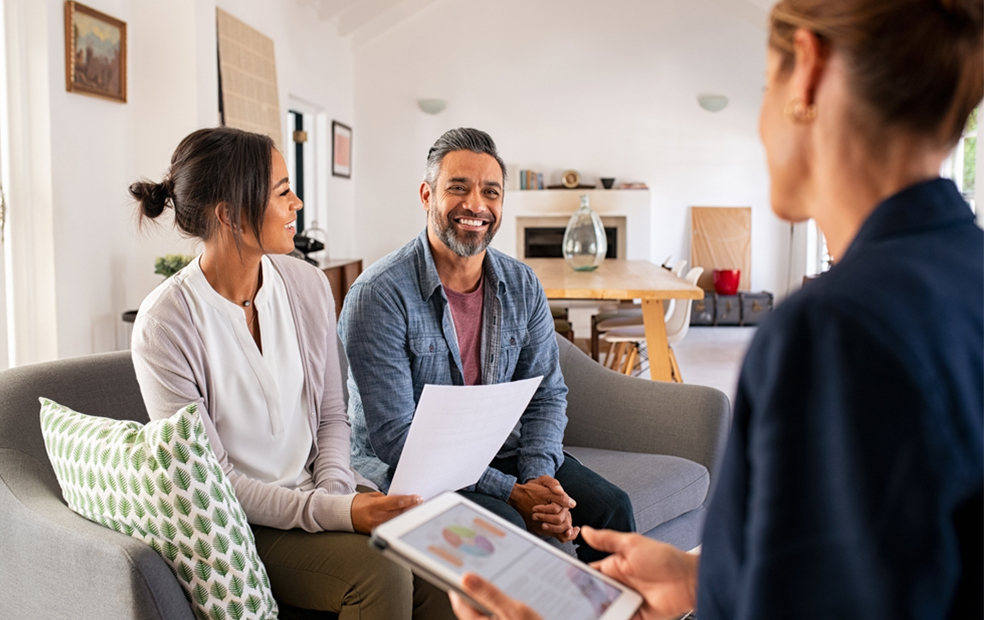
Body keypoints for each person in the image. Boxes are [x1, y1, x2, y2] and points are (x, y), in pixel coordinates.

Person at [449, 0, 984, 618]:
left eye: (765, 86)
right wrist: (704, 577)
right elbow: (892, 562)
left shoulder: (833, 331)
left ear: (806, 71)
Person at [129, 126, 454, 620]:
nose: (297, 203)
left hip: (321, 491)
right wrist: (334, 515)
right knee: (382, 572)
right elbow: (214, 481)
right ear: (230, 214)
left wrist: (334, 498)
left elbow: (330, 415)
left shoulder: (306, 284)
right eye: (283, 192)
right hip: (244, 521)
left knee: (444, 564)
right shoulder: (165, 325)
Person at [338, 127, 636, 563]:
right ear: (426, 195)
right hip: (414, 470)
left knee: (613, 510)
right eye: (457, 188)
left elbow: (546, 394)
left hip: (503, 451)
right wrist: (514, 495)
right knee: (508, 528)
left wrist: (538, 481)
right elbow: (396, 440)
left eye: (490, 192)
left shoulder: (522, 284)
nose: (475, 204)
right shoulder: (378, 295)